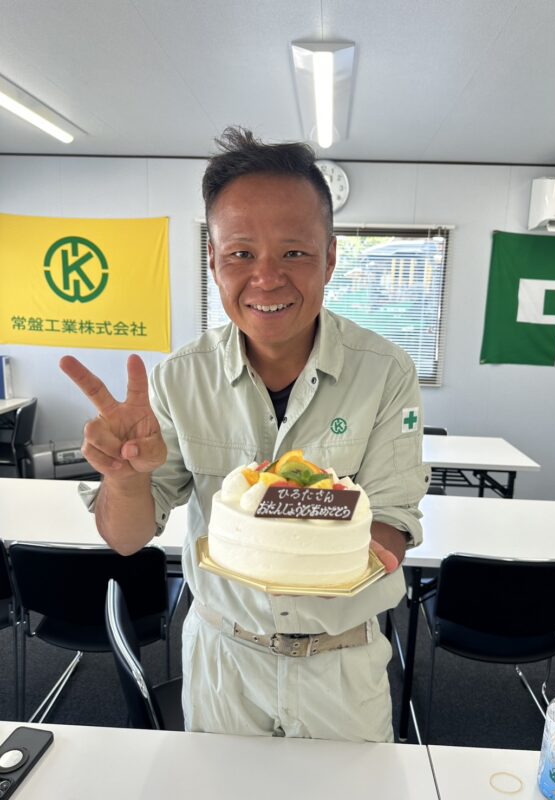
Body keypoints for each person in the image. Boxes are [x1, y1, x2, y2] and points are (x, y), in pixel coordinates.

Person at [60, 127, 430, 742]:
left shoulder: (385, 373)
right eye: (240, 254)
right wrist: (125, 480)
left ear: (330, 257)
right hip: (223, 661)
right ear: (212, 258)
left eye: (294, 253)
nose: (266, 278)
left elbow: (391, 524)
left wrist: (300, 546)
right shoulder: (180, 379)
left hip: (341, 663)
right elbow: (126, 540)